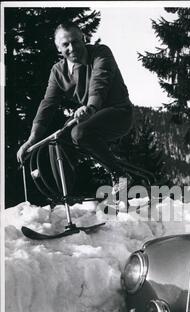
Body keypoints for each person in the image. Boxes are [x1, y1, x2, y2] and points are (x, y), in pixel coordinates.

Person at [16, 22, 134, 192]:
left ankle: (120, 176)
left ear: (83, 39)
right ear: (58, 48)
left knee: (80, 133)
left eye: (75, 41)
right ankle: (65, 195)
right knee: (57, 142)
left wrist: (91, 107)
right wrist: (32, 138)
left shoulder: (101, 53)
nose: (72, 48)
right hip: (90, 115)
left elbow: (100, 81)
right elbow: (48, 104)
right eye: (65, 44)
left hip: (118, 113)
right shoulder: (58, 71)